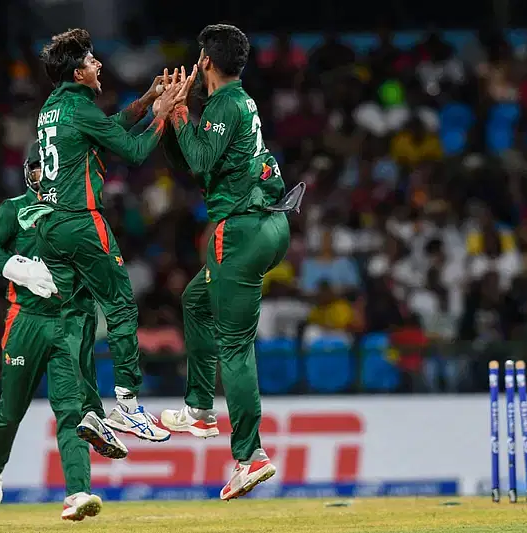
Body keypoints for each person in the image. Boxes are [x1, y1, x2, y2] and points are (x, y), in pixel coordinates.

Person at [20, 28, 188, 442]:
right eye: (92, 61)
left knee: (77, 315)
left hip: (51, 226)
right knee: (121, 308)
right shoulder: (79, 107)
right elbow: (130, 151)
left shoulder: (53, 108)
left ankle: (90, 410)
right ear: (78, 73)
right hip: (81, 220)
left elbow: (105, 129)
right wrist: (163, 115)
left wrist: (147, 102)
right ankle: (129, 407)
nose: (99, 65)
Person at [158, 24, 304, 500]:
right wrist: (174, 118)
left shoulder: (222, 105)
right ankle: (200, 409)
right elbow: (193, 158)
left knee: (236, 347)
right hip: (269, 224)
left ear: (206, 62)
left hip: (241, 232)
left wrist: (179, 111)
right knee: (196, 301)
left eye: (199, 57)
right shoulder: (239, 101)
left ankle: (250, 456)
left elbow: (199, 161)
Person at [0, 141, 127, 521]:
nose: (45, 175)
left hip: (70, 323)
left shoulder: (78, 210)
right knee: (11, 411)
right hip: (26, 320)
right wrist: (17, 267)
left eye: (51, 168)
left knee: (72, 412)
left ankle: (78, 492)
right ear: (29, 171)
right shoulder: (14, 210)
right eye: (40, 168)